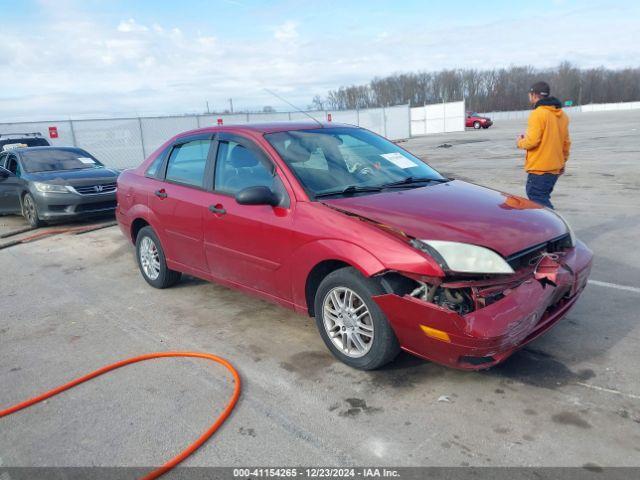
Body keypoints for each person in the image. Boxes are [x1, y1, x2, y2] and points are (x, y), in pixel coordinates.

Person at [516, 81, 571, 209]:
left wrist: (520, 142)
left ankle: (553, 226)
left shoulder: (538, 113)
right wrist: (562, 162)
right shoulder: (562, 115)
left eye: (530, 94)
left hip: (540, 168)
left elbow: (532, 141)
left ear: (534, 95)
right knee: (541, 197)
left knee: (537, 199)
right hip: (554, 168)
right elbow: (566, 143)